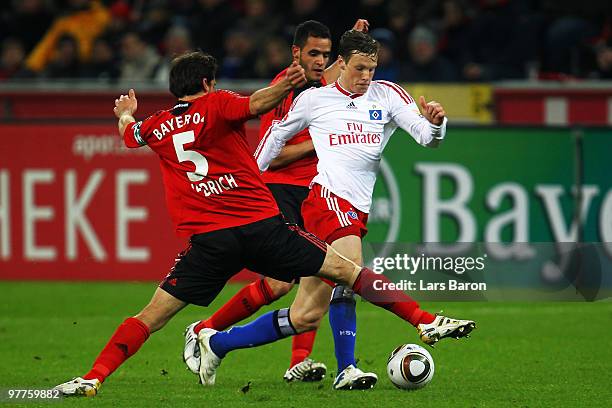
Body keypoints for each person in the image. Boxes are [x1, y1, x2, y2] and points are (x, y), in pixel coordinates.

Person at [54, 48, 473, 397]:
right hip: (260, 227)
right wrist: (288, 85)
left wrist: (125, 113)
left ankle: (93, 377)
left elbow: (130, 136)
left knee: (152, 315)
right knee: (347, 271)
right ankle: (422, 319)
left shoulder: (158, 125)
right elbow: (256, 104)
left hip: (209, 241)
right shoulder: (218, 104)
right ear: (207, 84)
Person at [194, 30, 476, 388]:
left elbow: (426, 137)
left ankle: (217, 342)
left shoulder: (387, 95)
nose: (365, 77)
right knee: (352, 268)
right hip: (326, 200)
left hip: (356, 209)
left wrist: (436, 124)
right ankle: (416, 324)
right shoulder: (315, 100)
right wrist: (245, 181)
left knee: (306, 314)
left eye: (372, 69)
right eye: (359, 68)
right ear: (341, 63)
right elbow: (276, 137)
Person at [183, 20, 378, 389]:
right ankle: (207, 330)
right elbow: (272, 156)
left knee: (326, 273)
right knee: (280, 283)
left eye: (326, 55)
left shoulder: (328, 85)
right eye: (314, 54)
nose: (321, 62)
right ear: (296, 54)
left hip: (316, 191)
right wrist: (320, 142)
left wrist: (352, 38)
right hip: (281, 190)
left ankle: (313, 362)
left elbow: (346, 67)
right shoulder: (285, 89)